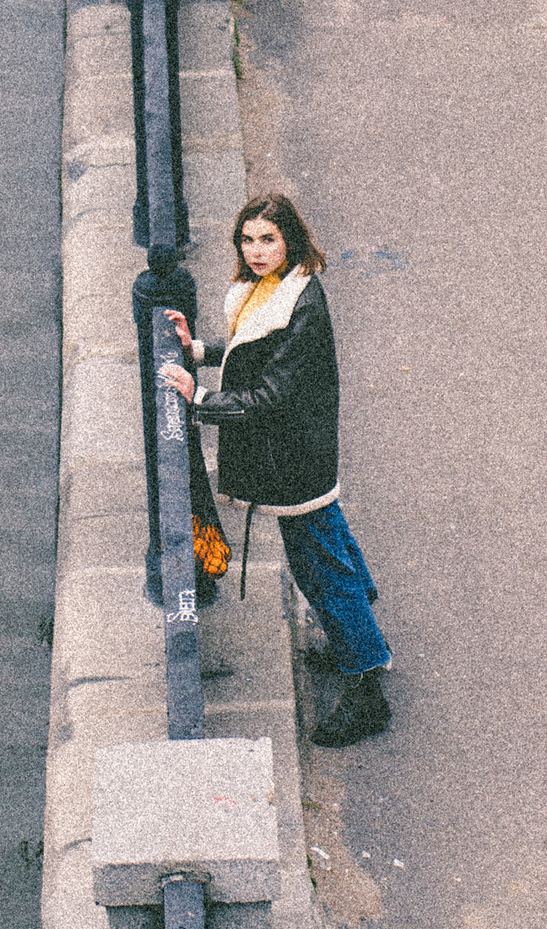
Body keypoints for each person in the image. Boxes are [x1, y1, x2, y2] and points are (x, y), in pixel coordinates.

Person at [162, 193, 392, 748]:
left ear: (289, 239)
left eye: (269, 239)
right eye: (248, 239)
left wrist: (199, 400)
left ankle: (366, 681)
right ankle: (361, 627)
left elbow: (269, 393)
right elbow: (254, 350)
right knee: (328, 539)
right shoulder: (280, 291)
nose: (258, 250)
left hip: (292, 456)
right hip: (300, 451)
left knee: (318, 566)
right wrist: (200, 351)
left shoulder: (300, 306)